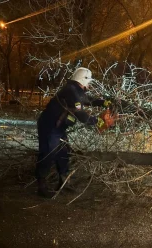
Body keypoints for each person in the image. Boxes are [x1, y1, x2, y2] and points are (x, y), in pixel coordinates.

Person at [36, 67, 116, 198]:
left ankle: (64, 182)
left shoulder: (75, 89)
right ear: (82, 80)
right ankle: (41, 186)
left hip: (58, 127)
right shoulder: (71, 91)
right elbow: (81, 115)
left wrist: (103, 102)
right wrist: (98, 122)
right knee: (48, 154)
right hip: (49, 126)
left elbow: (87, 99)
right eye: (88, 81)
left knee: (63, 153)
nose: (89, 84)